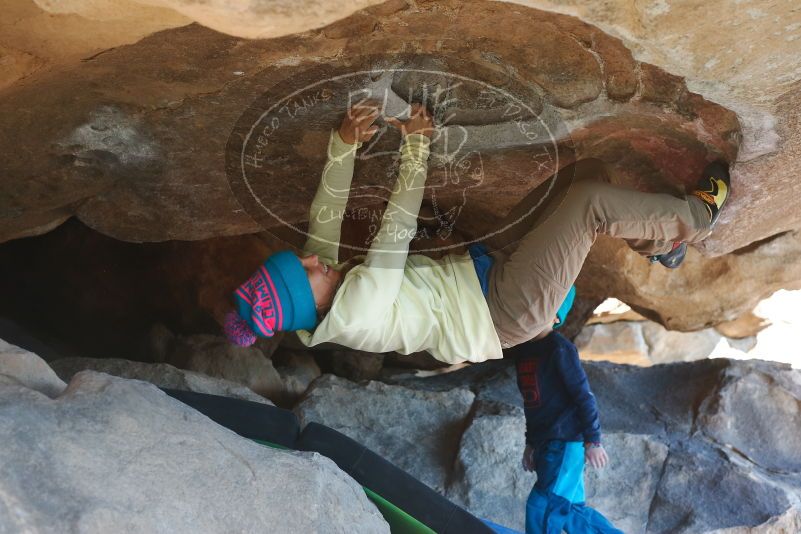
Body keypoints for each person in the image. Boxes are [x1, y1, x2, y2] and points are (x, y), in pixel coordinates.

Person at [224, 100, 731, 364]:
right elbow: (395, 231)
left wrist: (343, 144)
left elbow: (326, 214)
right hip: (501, 311)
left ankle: (662, 244)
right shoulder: (355, 313)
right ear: (307, 306)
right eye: (307, 271)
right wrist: (418, 147)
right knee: (589, 205)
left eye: (304, 260)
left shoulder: (319, 283)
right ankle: (699, 215)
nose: (314, 261)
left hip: (481, 270)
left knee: (587, 173)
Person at [508, 289, 622, 534]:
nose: (531, 313)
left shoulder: (559, 349)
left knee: (542, 505)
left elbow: (584, 397)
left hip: (566, 441)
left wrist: (593, 440)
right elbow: (532, 405)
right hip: (546, 444)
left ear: (555, 318)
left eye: (542, 308)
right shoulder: (523, 353)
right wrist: (530, 444)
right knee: (571, 512)